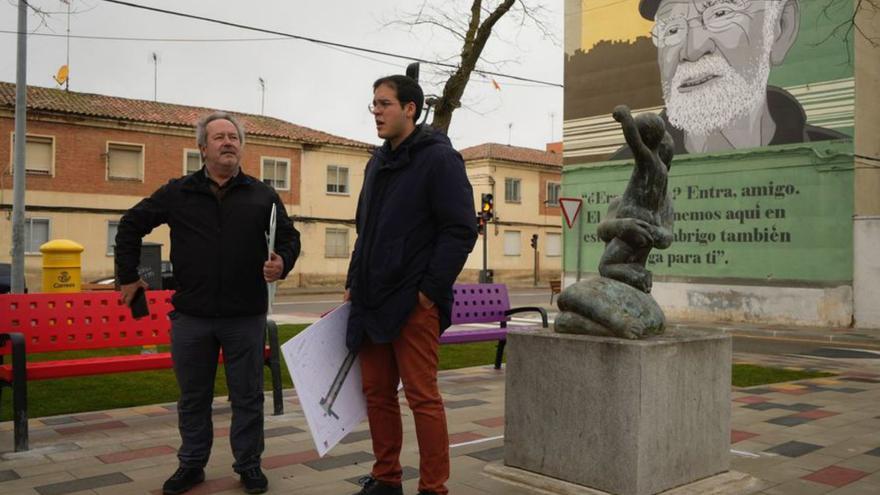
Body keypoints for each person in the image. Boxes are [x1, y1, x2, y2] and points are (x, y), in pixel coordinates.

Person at [115, 111, 300, 495]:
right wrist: (128, 277)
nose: (228, 142)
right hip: (191, 317)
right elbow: (131, 224)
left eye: (234, 137)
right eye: (219, 137)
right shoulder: (178, 192)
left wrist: (282, 261)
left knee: (247, 396)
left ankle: (249, 465)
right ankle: (191, 465)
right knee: (193, 397)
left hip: (245, 315)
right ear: (202, 147)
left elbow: (289, 237)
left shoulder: (263, 195)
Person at [345, 75, 478, 495]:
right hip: (371, 299)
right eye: (374, 105)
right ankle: (386, 478)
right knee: (377, 393)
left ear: (410, 109)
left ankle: (433, 486)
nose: (377, 112)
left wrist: (427, 290)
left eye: (384, 104)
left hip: (414, 301)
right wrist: (353, 280)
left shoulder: (439, 159)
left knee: (422, 397)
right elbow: (364, 230)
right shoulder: (376, 163)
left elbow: (460, 231)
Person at [612, 0, 847, 159]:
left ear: (781, 27)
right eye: (672, 30)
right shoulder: (626, 166)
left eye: (720, 13)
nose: (691, 50)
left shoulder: (844, 160)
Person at [599, 105, 674, 294]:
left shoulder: (649, 165)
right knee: (616, 267)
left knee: (605, 266)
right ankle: (636, 276)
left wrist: (626, 118)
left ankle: (638, 277)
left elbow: (666, 238)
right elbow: (602, 229)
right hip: (637, 232)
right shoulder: (660, 175)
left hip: (638, 234)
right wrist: (623, 226)